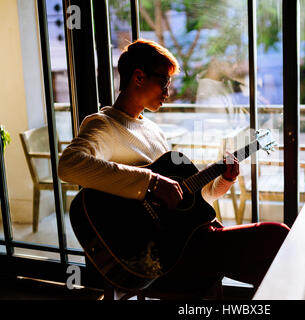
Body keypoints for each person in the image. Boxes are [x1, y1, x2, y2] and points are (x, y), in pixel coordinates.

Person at [58, 39, 289, 296]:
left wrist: (224, 181)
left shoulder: (153, 130)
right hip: (154, 252)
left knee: (267, 260)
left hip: (186, 240)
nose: (168, 92)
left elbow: (186, 202)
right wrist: (152, 182)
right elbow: (69, 166)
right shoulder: (103, 125)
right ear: (138, 77)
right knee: (276, 238)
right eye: (164, 82)